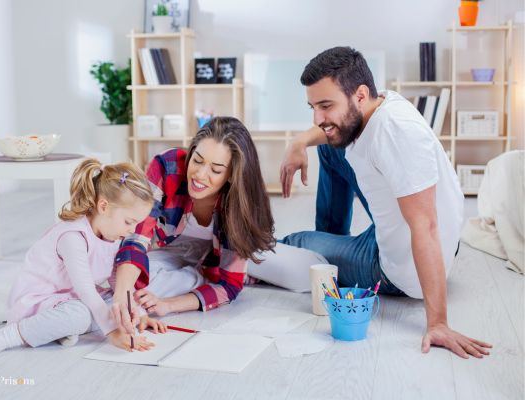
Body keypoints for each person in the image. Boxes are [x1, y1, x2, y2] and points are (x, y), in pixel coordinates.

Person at [256, 46, 492, 359]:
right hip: (414, 232)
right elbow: (329, 131)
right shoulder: (381, 103)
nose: (317, 118)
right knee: (330, 146)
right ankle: (333, 246)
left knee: (298, 243)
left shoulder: (395, 134)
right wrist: (298, 142)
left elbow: (426, 226)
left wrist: (438, 323)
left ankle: (321, 256)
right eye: (313, 106)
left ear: (360, 94)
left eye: (326, 105)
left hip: (399, 266)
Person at [0, 159, 166, 361]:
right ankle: (10, 336)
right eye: (129, 222)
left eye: (136, 224)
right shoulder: (73, 237)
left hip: (70, 298)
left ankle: (56, 330)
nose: (132, 230)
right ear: (103, 206)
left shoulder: (113, 234)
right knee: (82, 315)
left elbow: (115, 282)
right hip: (41, 299)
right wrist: (113, 332)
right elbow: (86, 290)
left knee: (111, 304)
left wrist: (137, 313)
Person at [109, 116, 276, 318]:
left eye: (215, 170)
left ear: (232, 174)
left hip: (219, 255)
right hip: (168, 250)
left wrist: (169, 304)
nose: (200, 175)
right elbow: (138, 235)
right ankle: (201, 278)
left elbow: (229, 286)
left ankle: (208, 276)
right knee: (129, 280)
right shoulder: (167, 165)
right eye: (197, 160)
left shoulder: (240, 204)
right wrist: (121, 294)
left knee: (300, 278)